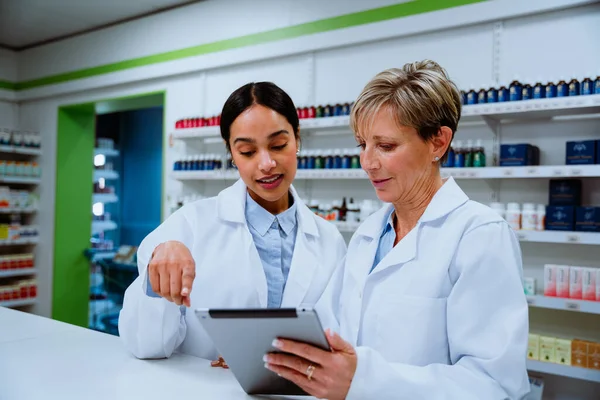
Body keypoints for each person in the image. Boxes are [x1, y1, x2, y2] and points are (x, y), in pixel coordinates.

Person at [263, 60, 530, 399]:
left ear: (438, 142)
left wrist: (365, 382)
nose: (368, 162)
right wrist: (271, 355)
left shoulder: (479, 236)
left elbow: (494, 385)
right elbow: (328, 334)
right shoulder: (369, 234)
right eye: (362, 144)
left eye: (386, 146)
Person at [118, 82, 347, 361]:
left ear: (297, 139)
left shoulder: (330, 241)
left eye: (278, 145)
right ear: (232, 154)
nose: (266, 163)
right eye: (248, 152)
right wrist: (159, 277)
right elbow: (146, 345)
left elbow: (337, 337)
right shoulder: (189, 226)